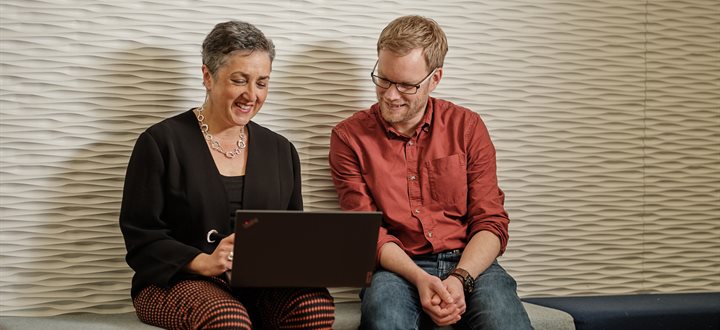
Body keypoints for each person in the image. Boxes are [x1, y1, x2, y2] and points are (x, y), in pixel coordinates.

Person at [119, 21, 335, 329]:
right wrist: (204, 262)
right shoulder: (160, 143)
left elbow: (288, 234)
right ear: (208, 76)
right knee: (227, 318)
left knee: (315, 307)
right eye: (239, 80)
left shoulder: (281, 150)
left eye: (262, 83)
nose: (251, 95)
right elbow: (141, 237)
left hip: (256, 286)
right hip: (172, 281)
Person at [329, 15, 533, 329]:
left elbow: (490, 221)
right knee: (384, 319)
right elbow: (367, 233)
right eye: (383, 79)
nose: (390, 94)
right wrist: (421, 278)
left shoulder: (467, 127)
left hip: (470, 261)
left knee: (504, 321)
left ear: (434, 79)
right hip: (396, 268)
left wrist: (460, 278)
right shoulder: (348, 138)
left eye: (406, 85)